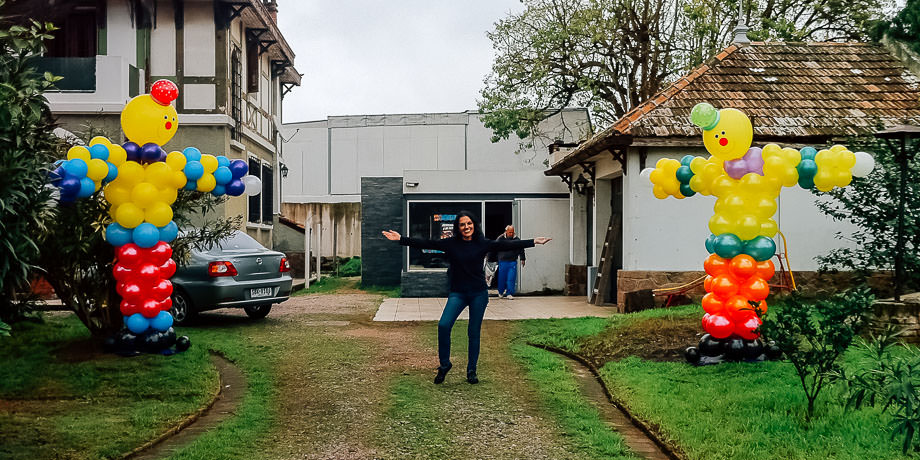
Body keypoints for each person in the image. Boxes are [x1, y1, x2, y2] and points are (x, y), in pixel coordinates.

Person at [382, 211, 551, 385]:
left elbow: (505, 246)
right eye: (462, 224)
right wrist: (401, 239)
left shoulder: (482, 243)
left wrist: (534, 242)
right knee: (444, 325)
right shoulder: (451, 244)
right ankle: (445, 364)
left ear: (473, 225)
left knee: (473, 332)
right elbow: (427, 242)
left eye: (469, 224)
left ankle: (471, 370)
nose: (466, 227)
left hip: (478, 293)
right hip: (458, 293)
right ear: (458, 228)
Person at [493, 225, 525, 299]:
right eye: (510, 232)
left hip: (512, 262)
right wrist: (492, 259)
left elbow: (521, 249)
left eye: (512, 232)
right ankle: (500, 292)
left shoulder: (517, 239)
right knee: (502, 278)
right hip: (502, 262)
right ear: (506, 231)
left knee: (511, 278)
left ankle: (509, 293)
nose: (511, 234)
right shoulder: (500, 238)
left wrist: (522, 258)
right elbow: (494, 247)